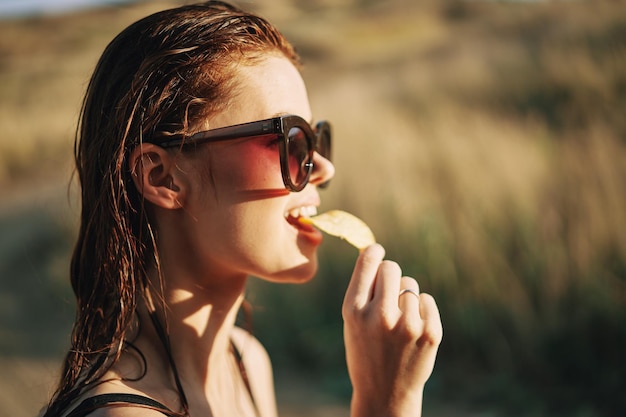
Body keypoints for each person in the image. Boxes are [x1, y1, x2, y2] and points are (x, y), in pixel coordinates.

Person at [41, 1, 442, 416]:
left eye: (315, 140)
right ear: (162, 177)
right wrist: (385, 401)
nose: (323, 166)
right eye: (290, 141)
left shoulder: (247, 361)